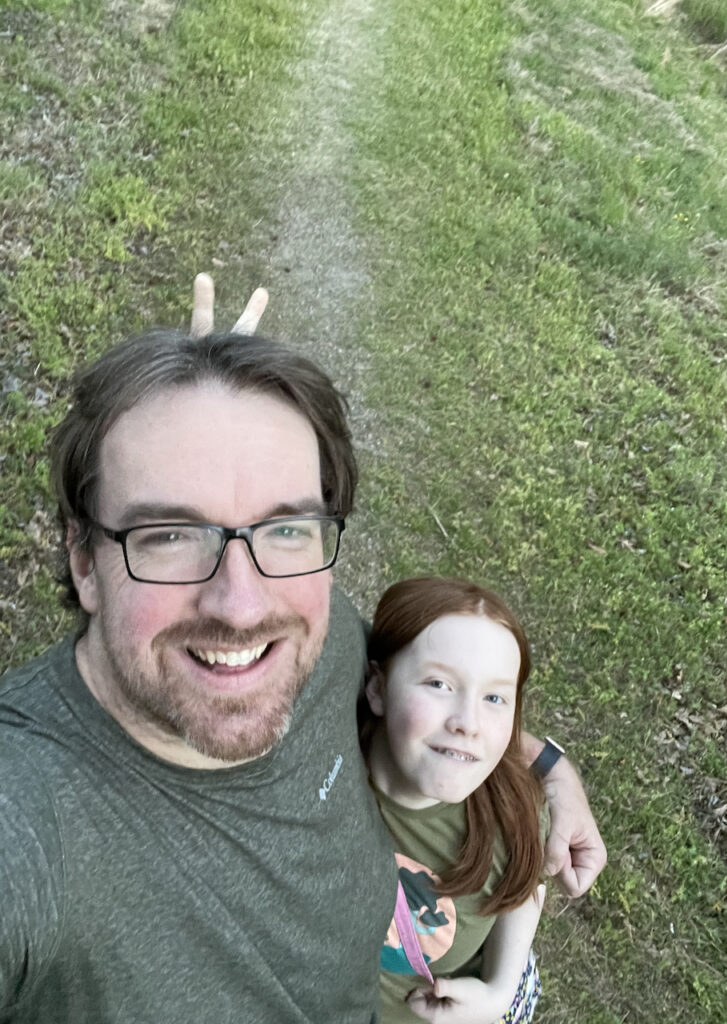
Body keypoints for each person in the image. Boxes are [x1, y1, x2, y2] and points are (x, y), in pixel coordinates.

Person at [0, 277, 606, 1023]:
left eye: (283, 529)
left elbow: (427, 697)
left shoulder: (318, 641)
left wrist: (549, 767)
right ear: (85, 560)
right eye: (170, 535)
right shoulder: (28, 814)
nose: (244, 607)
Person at [362, 577, 546, 1024]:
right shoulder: (325, 764)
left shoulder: (509, 815)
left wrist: (500, 989)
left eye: (495, 697)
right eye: (440, 684)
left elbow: (522, 887)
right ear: (377, 688)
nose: (469, 722)